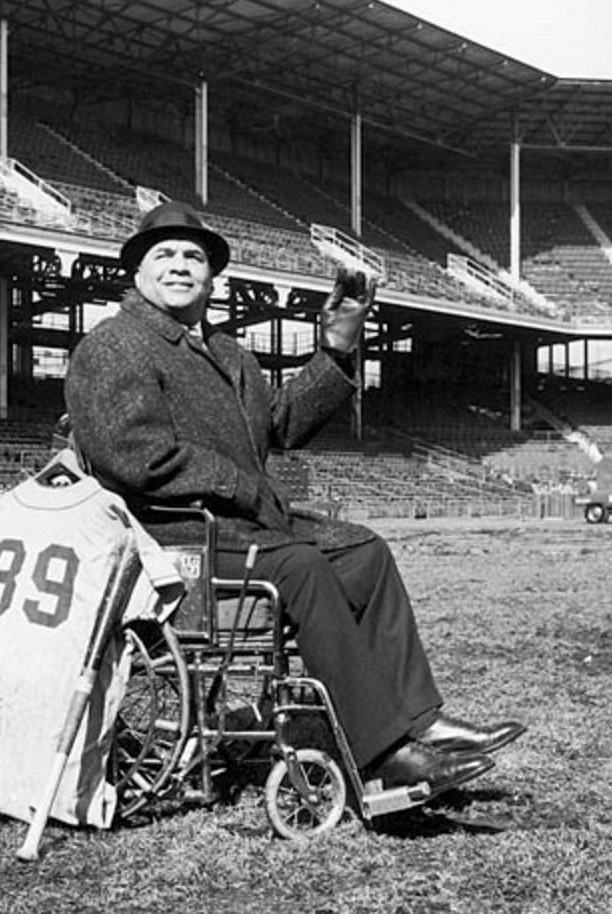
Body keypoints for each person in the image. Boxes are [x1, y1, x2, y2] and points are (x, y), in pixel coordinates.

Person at [64, 201, 526, 799]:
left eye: (194, 257)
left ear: (212, 276)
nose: (180, 266)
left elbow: (280, 426)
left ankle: (417, 719)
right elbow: (134, 456)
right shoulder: (114, 345)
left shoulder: (227, 353)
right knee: (301, 568)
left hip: (237, 531)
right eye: (165, 255)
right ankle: (381, 755)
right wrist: (240, 483)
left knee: (366, 552)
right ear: (137, 272)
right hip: (171, 540)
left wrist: (335, 349)